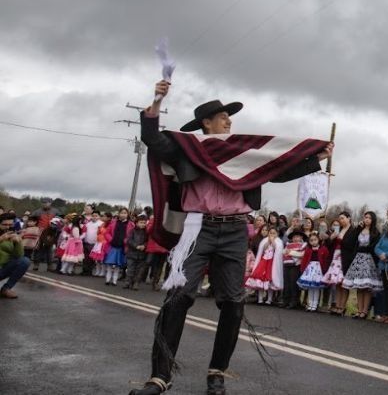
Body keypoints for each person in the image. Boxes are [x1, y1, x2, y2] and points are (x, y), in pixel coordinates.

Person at [129, 80, 332, 395]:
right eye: (223, 117)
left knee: (234, 304)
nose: (229, 121)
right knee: (177, 299)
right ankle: (159, 377)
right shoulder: (189, 149)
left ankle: (216, 373)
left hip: (236, 229)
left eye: (229, 117)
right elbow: (153, 138)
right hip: (198, 228)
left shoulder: (244, 152)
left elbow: (277, 168)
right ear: (206, 124)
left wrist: (315, 158)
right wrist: (157, 100)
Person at [342, 211, 383, 319]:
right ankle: (359, 310)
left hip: (368, 260)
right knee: (358, 287)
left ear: (373, 219)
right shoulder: (359, 230)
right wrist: (357, 229)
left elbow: (374, 246)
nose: (367, 219)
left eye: (369, 218)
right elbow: (351, 242)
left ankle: (365, 311)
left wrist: (363, 249)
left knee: (367, 287)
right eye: (365, 217)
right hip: (358, 259)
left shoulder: (375, 232)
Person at [323, 212, 355, 315]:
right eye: (340, 218)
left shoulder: (353, 230)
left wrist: (341, 240)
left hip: (345, 258)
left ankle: (342, 306)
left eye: (343, 218)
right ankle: (337, 304)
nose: (341, 220)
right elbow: (328, 244)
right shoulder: (338, 230)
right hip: (336, 257)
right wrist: (332, 237)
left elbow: (351, 245)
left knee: (344, 283)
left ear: (349, 218)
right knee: (337, 283)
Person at [0, 214, 31, 298]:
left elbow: (19, 256)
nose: (7, 227)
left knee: (25, 261)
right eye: (5, 224)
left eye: (10, 225)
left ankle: (6, 289)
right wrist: (1, 239)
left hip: (3, 268)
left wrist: (18, 243)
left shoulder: (12, 235)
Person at [297, 232, 330, 311]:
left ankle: (315, 304)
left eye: (315, 240)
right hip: (310, 270)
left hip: (319, 271)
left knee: (316, 288)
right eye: (311, 240)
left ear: (318, 240)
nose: (313, 242)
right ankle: (310, 304)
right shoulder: (308, 249)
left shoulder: (323, 249)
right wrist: (302, 270)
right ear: (309, 241)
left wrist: (325, 271)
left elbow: (326, 260)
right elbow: (304, 260)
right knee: (311, 288)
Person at [104, 209, 133, 286]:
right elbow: (107, 233)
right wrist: (111, 239)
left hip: (122, 247)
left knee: (118, 265)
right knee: (109, 264)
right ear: (119, 214)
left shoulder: (130, 224)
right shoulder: (113, 223)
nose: (123, 215)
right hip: (112, 246)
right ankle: (107, 279)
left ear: (127, 214)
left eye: (125, 213)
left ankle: (114, 281)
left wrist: (126, 241)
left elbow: (131, 236)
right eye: (122, 213)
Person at [281, 230, 306, 309]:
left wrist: (291, 252)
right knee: (286, 283)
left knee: (293, 284)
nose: (295, 238)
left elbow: (302, 254)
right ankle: (286, 300)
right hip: (287, 265)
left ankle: (294, 301)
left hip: (295, 266)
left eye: (297, 237)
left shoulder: (303, 245)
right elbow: (283, 252)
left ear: (301, 237)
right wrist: (291, 252)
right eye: (294, 237)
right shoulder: (288, 245)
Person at [124, 215, 150, 290]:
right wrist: (136, 246)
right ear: (137, 223)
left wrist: (144, 246)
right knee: (130, 269)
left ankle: (136, 283)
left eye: (144, 223)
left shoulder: (147, 232)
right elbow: (129, 240)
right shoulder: (132, 231)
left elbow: (148, 241)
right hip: (132, 253)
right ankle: (128, 282)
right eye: (141, 222)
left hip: (142, 254)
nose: (142, 224)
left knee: (139, 270)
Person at [145, 215, 169, 290]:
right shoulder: (153, 219)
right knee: (148, 262)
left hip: (164, 246)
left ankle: (155, 282)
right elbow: (148, 230)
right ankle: (137, 279)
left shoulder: (169, 220)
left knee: (160, 265)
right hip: (154, 245)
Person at [82, 208, 100, 276]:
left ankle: (89, 271)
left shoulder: (101, 224)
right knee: (85, 258)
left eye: (96, 216)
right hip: (86, 242)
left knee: (91, 259)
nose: (94, 217)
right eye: (93, 216)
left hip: (94, 244)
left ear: (99, 216)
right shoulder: (88, 224)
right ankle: (84, 271)